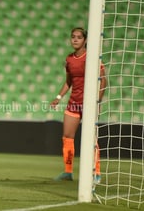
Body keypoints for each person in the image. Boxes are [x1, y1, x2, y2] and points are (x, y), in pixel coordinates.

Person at [50, 27, 106, 182]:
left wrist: (97, 101)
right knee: (67, 136)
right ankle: (68, 172)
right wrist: (58, 97)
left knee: (91, 139)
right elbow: (69, 82)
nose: (75, 39)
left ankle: (97, 173)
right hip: (74, 103)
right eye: (73, 37)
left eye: (79, 37)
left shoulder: (92, 57)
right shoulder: (69, 59)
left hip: (88, 104)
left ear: (85, 40)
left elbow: (104, 81)